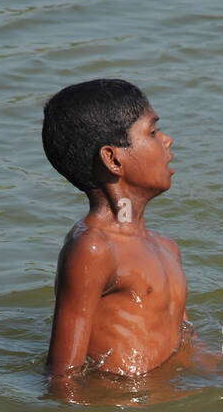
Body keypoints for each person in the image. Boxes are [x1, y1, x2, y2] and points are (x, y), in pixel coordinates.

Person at [41, 79, 189, 387]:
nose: (168, 140)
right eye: (152, 132)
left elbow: (185, 340)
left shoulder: (166, 247)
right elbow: (62, 375)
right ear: (113, 159)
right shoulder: (93, 249)